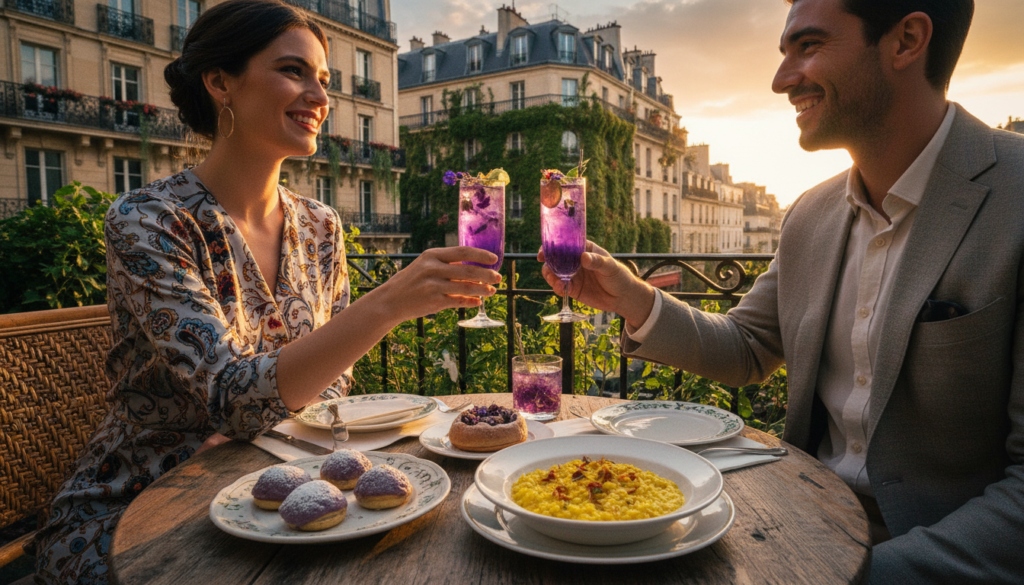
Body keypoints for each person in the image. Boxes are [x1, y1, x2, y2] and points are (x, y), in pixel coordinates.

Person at [542, 0, 1023, 582]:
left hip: (921, 557)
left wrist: (860, 573)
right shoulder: (812, 213)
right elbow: (748, 346)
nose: (781, 79)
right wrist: (631, 299)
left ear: (906, 40)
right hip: (798, 518)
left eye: (809, 45)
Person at [33, 1, 500, 583]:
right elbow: (233, 397)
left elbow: (330, 383)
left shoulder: (320, 225)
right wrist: (389, 304)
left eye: (324, 80)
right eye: (293, 71)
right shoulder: (150, 220)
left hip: (275, 488)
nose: (320, 97)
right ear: (220, 82)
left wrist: (263, 441)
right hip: (138, 502)